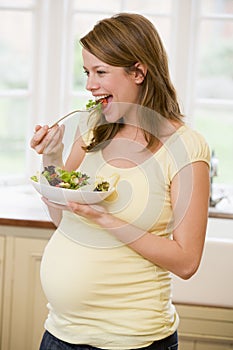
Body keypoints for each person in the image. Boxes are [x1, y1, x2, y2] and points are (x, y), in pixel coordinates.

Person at [30, 13, 210, 350]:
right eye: (87, 72)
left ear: (139, 72)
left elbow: (187, 262)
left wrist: (106, 218)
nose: (89, 85)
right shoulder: (91, 126)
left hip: (131, 340)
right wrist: (51, 159)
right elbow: (64, 220)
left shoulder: (185, 146)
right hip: (60, 333)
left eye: (101, 72)